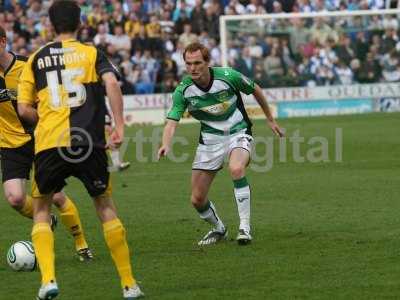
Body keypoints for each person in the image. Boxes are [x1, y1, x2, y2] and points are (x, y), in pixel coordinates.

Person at [17, 1, 143, 299]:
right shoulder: (91, 54)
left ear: (50, 24)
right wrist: (120, 126)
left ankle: (48, 280)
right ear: (80, 22)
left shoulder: (35, 59)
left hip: (49, 143)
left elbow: (23, 109)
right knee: (104, 206)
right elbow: (112, 83)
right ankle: (128, 285)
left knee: (42, 209)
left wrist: (45, 119)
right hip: (89, 141)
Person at [158, 42, 283, 246]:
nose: (192, 68)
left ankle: (244, 227)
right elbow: (171, 122)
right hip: (210, 140)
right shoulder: (183, 91)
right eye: (188, 64)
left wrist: (270, 118)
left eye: (197, 62)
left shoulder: (228, 76)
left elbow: (256, 89)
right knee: (197, 199)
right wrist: (166, 144)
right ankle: (219, 229)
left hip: (238, 132)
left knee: (236, 168)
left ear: (208, 62)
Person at [0, 24, 93, 262]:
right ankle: (46, 219)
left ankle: (81, 242)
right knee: (15, 199)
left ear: (3, 42)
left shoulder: (27, 65)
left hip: (39, 137)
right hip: (10, 144)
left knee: (56, 195)